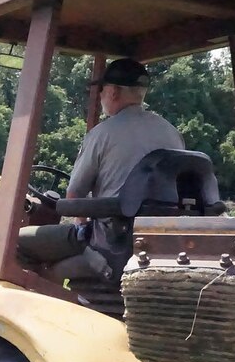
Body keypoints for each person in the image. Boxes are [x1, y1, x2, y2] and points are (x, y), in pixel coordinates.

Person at [18, 58, 185, 270]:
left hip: (111, 242)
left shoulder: (102, 134)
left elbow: (74, 195)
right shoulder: (172, 133)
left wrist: (81, 224)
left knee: (17, 242)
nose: (100, 95)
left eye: (102, 89)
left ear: (113, 92)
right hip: (158, 241)